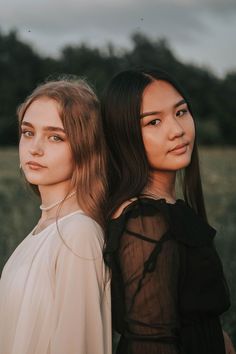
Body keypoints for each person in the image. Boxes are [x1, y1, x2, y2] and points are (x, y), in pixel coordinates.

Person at [101, 68, 234, 354]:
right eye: (154, 122)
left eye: (181, 112)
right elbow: (151, 344)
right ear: (124, 135)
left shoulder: (167, 209)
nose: (176, 130)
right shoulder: (144, 222)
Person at [0, 78, 111, 354]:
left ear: (85, 147)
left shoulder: (78, 233)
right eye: (28, 132)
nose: (35, 148)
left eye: (55, 137)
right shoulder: (44, 229)